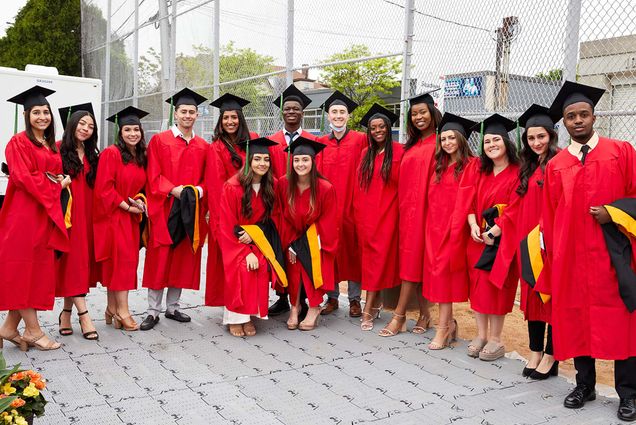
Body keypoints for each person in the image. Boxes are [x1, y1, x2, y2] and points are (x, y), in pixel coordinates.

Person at [540, 81, 636, 421]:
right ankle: (585, 384)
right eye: (570, 117)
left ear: (594, 117)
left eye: (583, 114)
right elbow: (549, 215)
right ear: (563, 123)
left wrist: (613, 213)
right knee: (577, 318)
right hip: (571, 259)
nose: (578, 121)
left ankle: (628, 393)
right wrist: (553, 256)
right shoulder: (556, 164)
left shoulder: (621, 151)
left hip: (613, 255)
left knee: (622, 322)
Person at [490, 104, 560, 378]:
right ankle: (535, 352)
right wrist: (496, 230)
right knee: (532, 299)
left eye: (541, 136)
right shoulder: (527, 168)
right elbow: (515, 206)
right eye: (531, 138)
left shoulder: (560, 163)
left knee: (552, 300)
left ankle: (552, 356)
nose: (536, 142)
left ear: (551, 136)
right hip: (529, 245)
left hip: (552, 244)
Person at [0, 85, 69, 351]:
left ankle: (8, 328)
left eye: (46, 112)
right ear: (27, 115)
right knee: (22, 272)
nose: (42, 116)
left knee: (33, 272)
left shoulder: (49, 144)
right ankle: (33, 330)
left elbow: (51, 173)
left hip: (45, 216)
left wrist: (61, 179)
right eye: (36, 112)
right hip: (23, 216)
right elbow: (22, 178)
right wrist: (57, 185)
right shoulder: (18, 142)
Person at [451, 114, 520, 361]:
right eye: (487, 141)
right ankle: (480, 334)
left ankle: (496, 339)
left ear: (506, 142)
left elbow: (517, 205)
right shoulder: (478, 169)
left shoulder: (517, 171)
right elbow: (467, 201)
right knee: (478, 286)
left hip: (502, 239)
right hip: (478, 237)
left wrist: (496, 229)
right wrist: (471, 226)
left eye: (496, 140)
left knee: (497, 287)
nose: (491, 145)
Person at [141, 88, 208, 331]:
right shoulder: (160, 140)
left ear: (197, 115)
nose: (188, 116)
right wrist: (176, 191)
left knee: (181, 257)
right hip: (165, 206)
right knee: (159, 258)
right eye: (183, 112)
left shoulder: (203, 145)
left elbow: (207, 179)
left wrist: (197, 191)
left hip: (190, 209)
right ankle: (152, 311)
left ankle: (173, 307)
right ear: (175, 114)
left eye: (192, 112)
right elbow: (153, 175)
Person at [380, 91, 441, 337]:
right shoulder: (412, 145)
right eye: (414, 114)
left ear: (433, 113)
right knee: (412, 262)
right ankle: (425, 314)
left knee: (412, 263)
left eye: (423, 112)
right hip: (406, 212)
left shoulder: (440, 142)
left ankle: (400, 315)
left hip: (427, 213)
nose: (418, 117)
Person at [219, 137, 287, 337]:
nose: (262, 163)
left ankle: (249, 315)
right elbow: (226, 224)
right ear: (248, 160)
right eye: (257, 159)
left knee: (261, 265)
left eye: (266, 159)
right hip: (235, 242)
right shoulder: (232, 186)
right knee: (244, 266)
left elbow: (274, 218)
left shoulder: (271, 185)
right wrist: (243, 250)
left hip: (260, 240)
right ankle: (235, 318)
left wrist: (255, 235)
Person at [422, 113, 475, 349]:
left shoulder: (472, 166)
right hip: (434, 228)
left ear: (461, 139)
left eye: (452, 137)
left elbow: (468, 200)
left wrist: (455, 228)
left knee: (445, 277)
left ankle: (443, 328)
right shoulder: (439, 166)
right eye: (443, 139)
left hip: (455, 229)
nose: (447, 143)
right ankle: (450, 324)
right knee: (437, 277)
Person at [94, 106, 149, 332]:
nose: (133, 134)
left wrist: (140, 201)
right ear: (120, 132)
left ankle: (111, 309)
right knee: (122, 264)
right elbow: (104, 188)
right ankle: (123, 312)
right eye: (128, 130)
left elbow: (141, 186)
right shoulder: (111, 153)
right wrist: (128, 207)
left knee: (124, 263)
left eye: (136, 129)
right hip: (114, 217)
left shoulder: (140, 155)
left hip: (131, 219)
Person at [277, 137, 338, 331]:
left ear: (313, 162)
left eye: (305, 160)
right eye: (296, 160)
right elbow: (279, 215)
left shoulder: (325, 188)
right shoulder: (283, 184)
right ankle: (294, 306)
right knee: (293, 261)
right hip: (291, 236)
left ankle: (313, 306)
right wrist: (292, 243)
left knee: (310, 258)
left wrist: (303, 244)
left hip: (316, 239)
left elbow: (328, 221)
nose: (300, 164)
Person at [205, 93, 259, 309]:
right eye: (226, 117)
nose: (230, 121)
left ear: (241, 119)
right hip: (228, 214)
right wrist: (224, 223)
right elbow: (216, 187)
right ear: (221, 120)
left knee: (254, 258)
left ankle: (252, 305)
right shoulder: (216, 147)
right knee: (231, 260)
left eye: (234, 117)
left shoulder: (253, 139)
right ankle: (233, 308)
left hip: (253, 210)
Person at [315, 90, 366, 318]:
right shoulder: (320, 143)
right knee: (330, 252)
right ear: (328, 116)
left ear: (348, 116)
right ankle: (333, 297)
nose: (338, 116)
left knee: (354, 252)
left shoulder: (360, 139)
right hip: (329, 208)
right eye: (334, 112)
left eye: (342, 112)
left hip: (353, 206)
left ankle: (355, 299)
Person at [267, 84, 316, 318]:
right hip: (278, 208)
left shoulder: (311, 141)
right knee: (281, 251)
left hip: (304, 207)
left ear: (302, 113)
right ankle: (283, 298)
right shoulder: (272, 141)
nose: (291, 112)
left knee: (301, 251)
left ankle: (302, 298)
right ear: (282, 112)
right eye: (287, 108)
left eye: (296, 108)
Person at [354, 104, 403, 331]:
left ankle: (370, 305)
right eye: (373, 128)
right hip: (367, 216)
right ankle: (374, 303)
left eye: (381, 126)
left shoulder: (399, 151)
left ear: (388, 127)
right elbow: (359, 187)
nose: (377, 131)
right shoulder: (366, 153)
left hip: (389, 215)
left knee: (380, 261)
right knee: (370, 261)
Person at [55, 103, 101, 341]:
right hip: (68, 217)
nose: (86, 129)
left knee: (78, 266)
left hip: (89, 217)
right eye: (82, 123)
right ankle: (84, 316)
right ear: (72, 125)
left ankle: (65, 313)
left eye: (91, 126)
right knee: (72, 263)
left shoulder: (94, 154)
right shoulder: (58, 150)